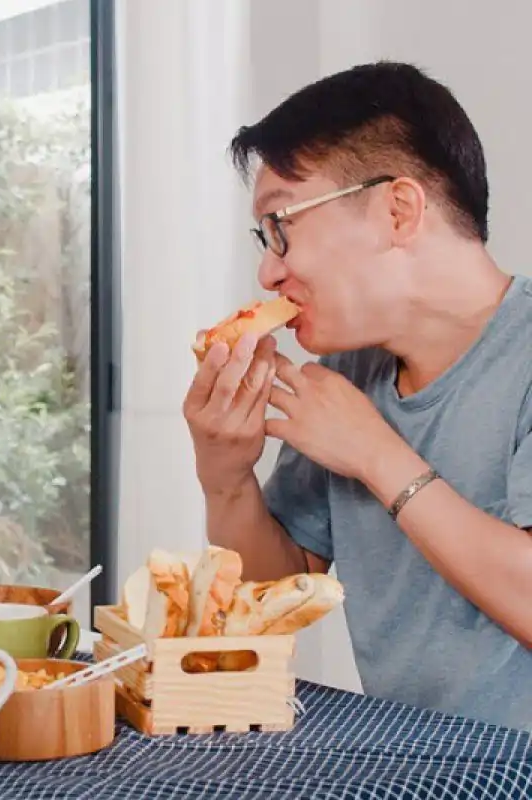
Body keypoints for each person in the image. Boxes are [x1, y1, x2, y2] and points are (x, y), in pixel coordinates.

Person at [182, 61, 532, 731]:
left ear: (398, 211)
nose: (268, 271)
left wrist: (375, 453)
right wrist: (224, 477)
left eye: (281, 225)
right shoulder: (348, 370)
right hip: (402, 762)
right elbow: (269, 600)